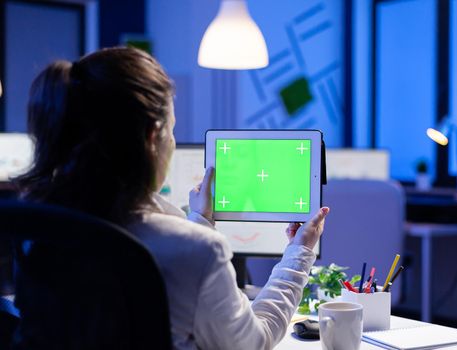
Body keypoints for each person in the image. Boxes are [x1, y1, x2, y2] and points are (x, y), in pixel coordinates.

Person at [14, 47, 329, 350]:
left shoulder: (37, 226)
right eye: (173, 131)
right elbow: (253, 343)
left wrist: (199, 221)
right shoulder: (197, 251)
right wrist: (299, 253)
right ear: (153, 136)